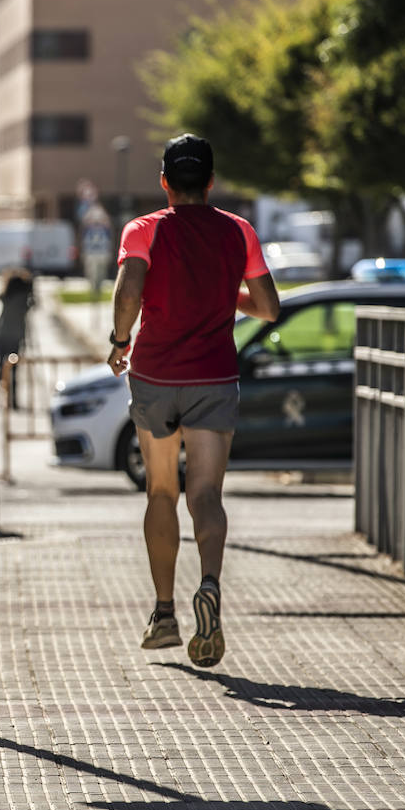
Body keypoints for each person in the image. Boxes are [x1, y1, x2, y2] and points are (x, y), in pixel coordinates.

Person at [106, 134, 280, 668]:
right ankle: (209, 582)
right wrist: (224, 291)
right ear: (210, 182)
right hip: (214, 376)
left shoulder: (145, 229)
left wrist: (119, 341)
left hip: (157, 376)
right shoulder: (238, 231)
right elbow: (269, 307)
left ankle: (164, 614)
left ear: (164, 183)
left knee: (162, 491)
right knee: (206, 492)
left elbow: (130, 288)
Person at [0, 269, 34, 409]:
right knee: (13, 369)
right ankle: (13, 400)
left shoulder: (7, 295)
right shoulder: (23, 298)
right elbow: (33, 302)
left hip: (3, 335)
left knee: (2, 367)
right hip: (16, 337)